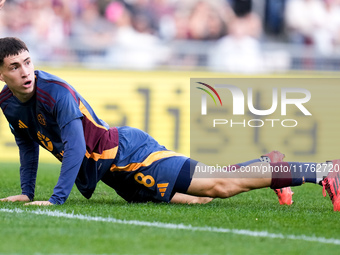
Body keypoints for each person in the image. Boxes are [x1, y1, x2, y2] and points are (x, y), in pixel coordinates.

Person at [0, 37, 339, 211]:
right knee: (201, 199)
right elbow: (27, 145)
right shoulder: (8, 104)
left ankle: (321, 169)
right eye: (15, 66)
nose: (25, 71)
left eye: (28, 62)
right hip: (116, 177)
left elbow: (75, 146)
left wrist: (57, 199)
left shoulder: (55, 92)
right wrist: (27, 193)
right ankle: (267, 167)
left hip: (131, 154)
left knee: (218, 185)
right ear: (2, 74)